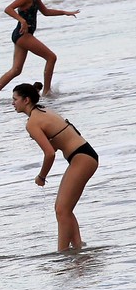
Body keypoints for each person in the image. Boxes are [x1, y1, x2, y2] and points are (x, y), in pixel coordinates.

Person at [11, 82, 97, 251]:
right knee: (64, 209)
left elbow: (50, 153)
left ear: (26, 100)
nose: (12, 103)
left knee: (61, 209)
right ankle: (78, 247)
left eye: (15, 99)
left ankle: (62, 252)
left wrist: (41, 176)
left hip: (82, 157)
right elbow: (61, 139)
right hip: (85, 154)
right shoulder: (43, 110)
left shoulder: (32, 123)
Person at [0, 0, 80, 104]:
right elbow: (8, 9)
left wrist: (64, 12)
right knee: (51, 57)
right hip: (23, 35)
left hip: (21, 35)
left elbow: (46, 12)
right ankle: (47, 92)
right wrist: (22, 20)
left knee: (16, 70)